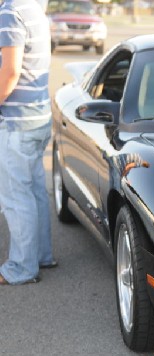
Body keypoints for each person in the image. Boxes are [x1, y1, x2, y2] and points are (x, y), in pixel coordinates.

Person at [0, 0, 56, 285]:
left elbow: (10, 72)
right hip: (38, 117)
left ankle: (21, 268)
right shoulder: (33, 8)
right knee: (34, 192)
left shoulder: (10, 11)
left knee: (15, 197)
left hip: (17, 122)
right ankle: (41, 256)